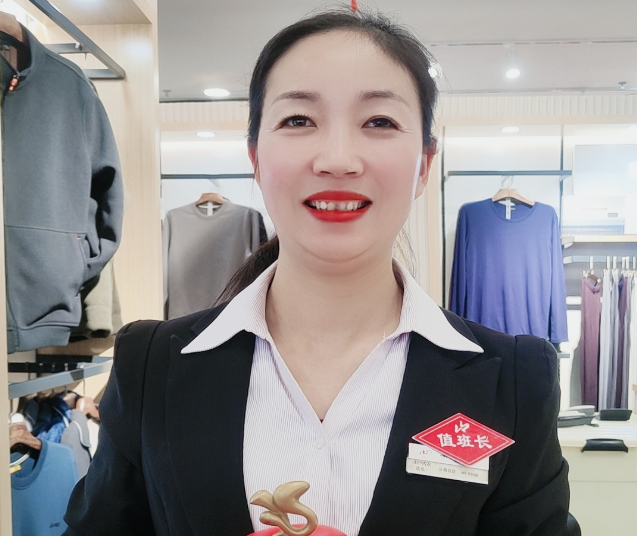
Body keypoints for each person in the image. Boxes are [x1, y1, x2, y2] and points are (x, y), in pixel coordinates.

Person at [63, 7, 569, 536]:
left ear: (424, 164)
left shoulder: (514, 381)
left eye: (379, 121)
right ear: (256, 158)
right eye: (299, 120)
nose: (338, 158)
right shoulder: (151, 365)